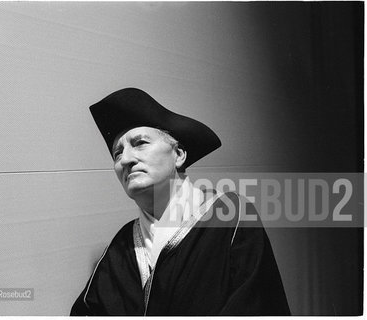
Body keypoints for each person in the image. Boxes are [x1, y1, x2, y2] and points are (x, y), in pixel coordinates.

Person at [70, 88, 290, 316]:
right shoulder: (120, 248)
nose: (125, 159)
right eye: (117, 153)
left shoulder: (230, 217)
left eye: (140, 143)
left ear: (179, 155)